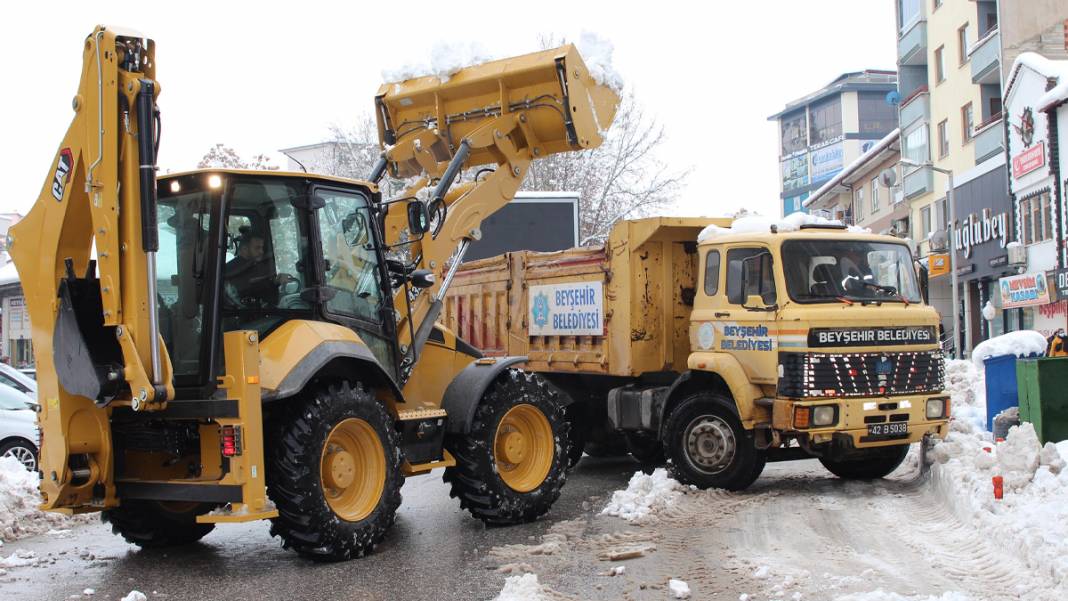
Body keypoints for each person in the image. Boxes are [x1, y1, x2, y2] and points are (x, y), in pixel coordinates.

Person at [225, 229, 293, 306]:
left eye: (262, 248)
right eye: (257, 248)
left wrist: (276, 281)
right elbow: (248, 289)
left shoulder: (254, 265)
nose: (261, 252)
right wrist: (274, 282)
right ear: (244, 249)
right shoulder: (234, 269)